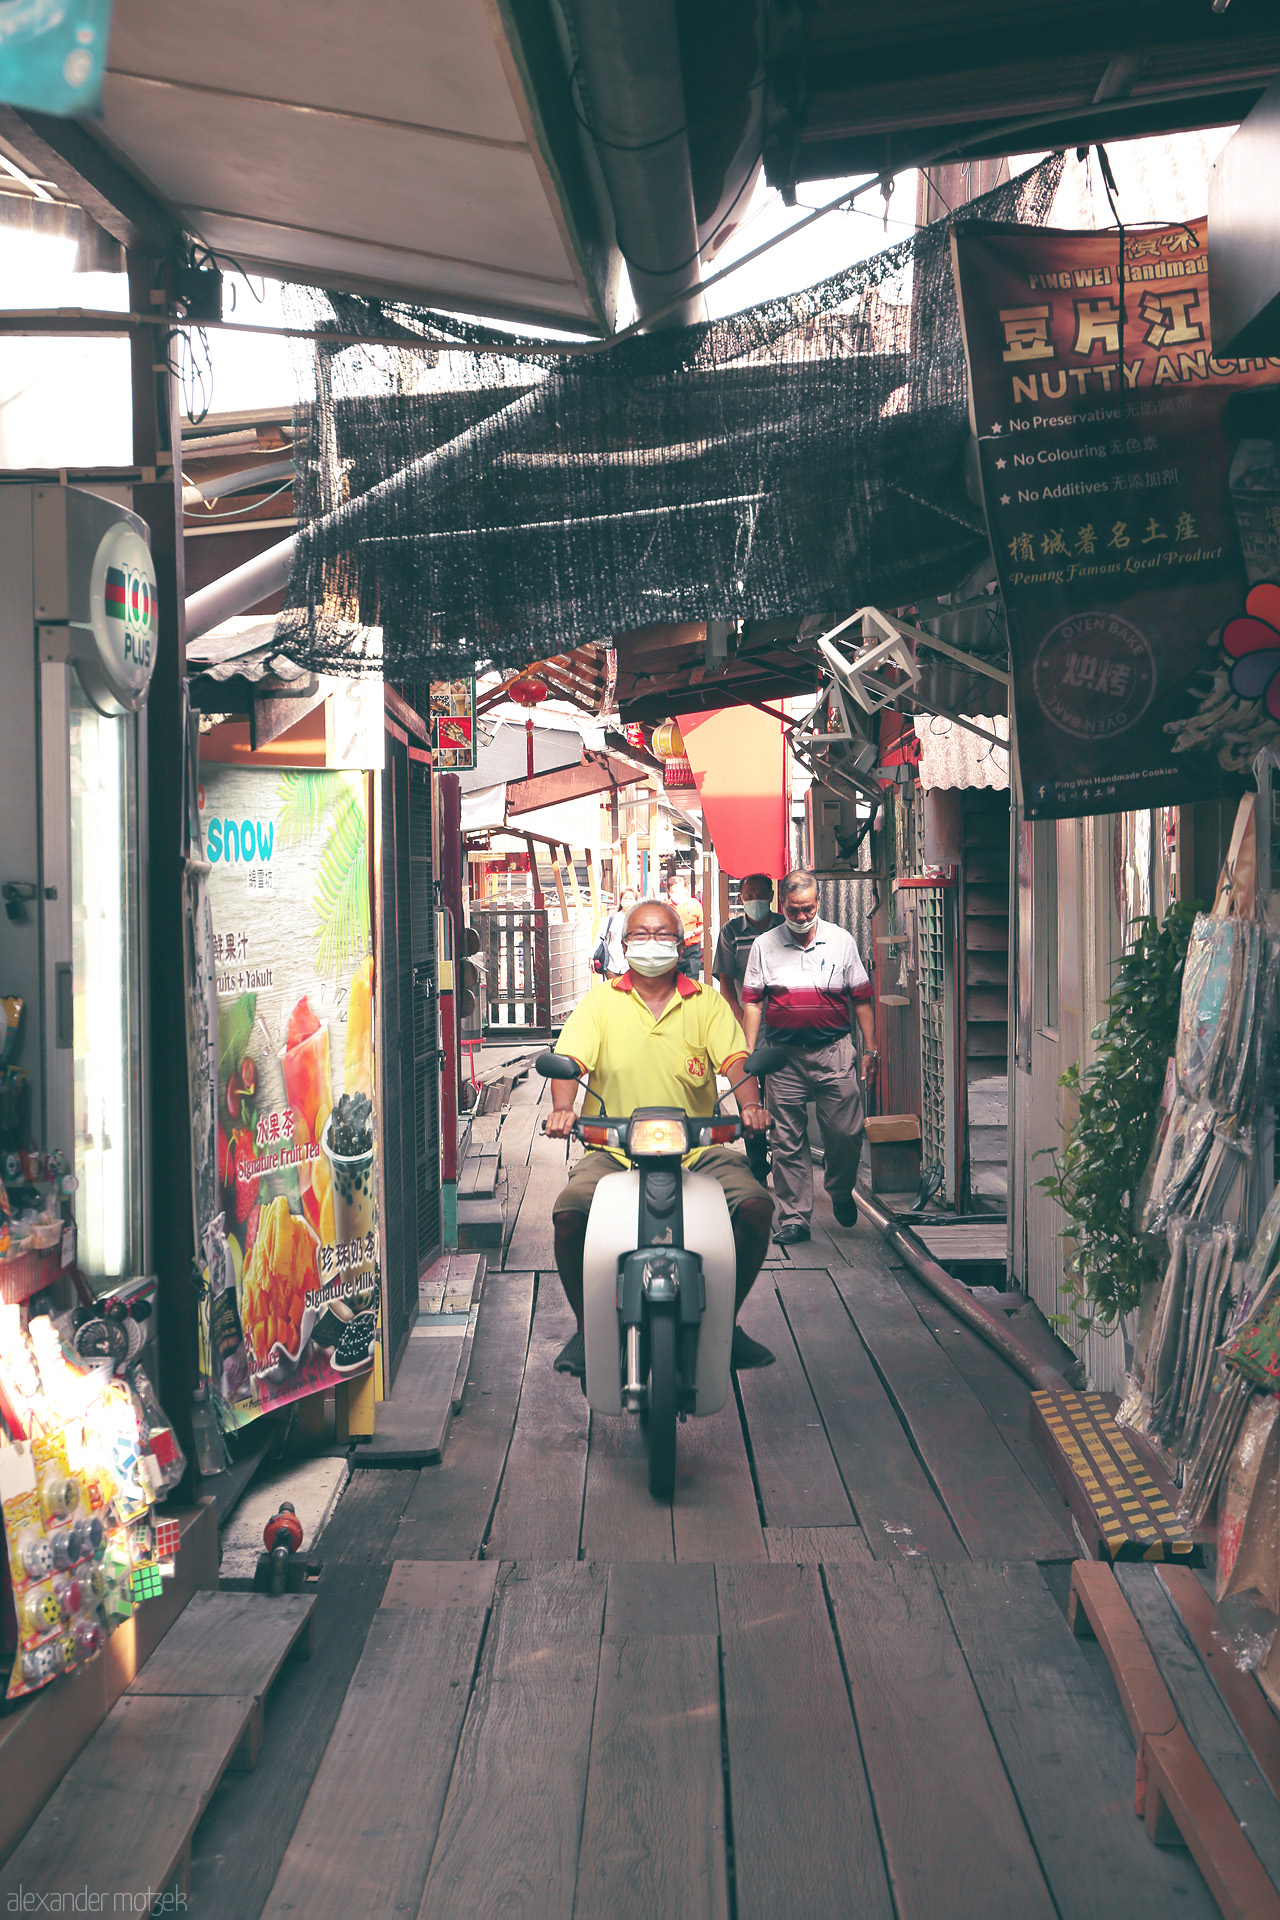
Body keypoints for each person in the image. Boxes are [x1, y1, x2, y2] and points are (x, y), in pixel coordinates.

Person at [546, 896, 777, 1375]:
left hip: (695, 1152)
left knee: (755, 1208)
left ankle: (726, 1326)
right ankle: (586, 1332)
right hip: (613, 1152)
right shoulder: (601, 1002)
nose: (652, 944)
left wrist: (751, 1105)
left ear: (681, 942)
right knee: (569, 1215)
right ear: (625, 943)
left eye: (663, 935)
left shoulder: (707, 1002)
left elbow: (736, 1061)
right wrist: (563, 1109)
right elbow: (569, 1062)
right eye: (641, 935)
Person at [741, 870, 878, 1243]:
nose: (801, 917)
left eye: (808, 908)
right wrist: (748, 1056)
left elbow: (862, 997)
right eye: (794, 909)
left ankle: (838, 1189)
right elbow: (753, 1002)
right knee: (786, 1139)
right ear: (781, 905)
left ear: (818, 902)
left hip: (835, 1049)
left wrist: (872, 1048)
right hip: (782, 1056)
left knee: (846, 1133)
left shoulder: (841, 941)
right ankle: (795, 1217)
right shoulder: (764, 946)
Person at [712, 874, 784, 1183]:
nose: (754, 898)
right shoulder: (731, 932)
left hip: (784, 1023)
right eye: (748, 894)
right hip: (746, 1022)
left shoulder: (785, 926)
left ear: (771, 895)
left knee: (781, 1090)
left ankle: (784, 1157)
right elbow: (725, 980)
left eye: (759, 893)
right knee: (750, 1087)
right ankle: (756, 1157)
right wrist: (741, 1016)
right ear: (740, 898)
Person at [666, 870, 704, 979]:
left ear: (685, 889)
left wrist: (692, 932)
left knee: (692, 982)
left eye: (680, 890)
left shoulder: (694, 904)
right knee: (674, 983)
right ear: (669, 891)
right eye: (674, 890)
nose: (677, 893)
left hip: (692, 949)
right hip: (673, 950)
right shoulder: (665, 907)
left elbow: (703, 926)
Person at [596, 886, 638, 977]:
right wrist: (591, 956)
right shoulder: (613, 918)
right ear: (620, 901)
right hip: (612, 965)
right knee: (612, 990)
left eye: (631, 899)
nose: (627, 901)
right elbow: (600, 936)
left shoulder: (640, 920)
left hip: (632, 967)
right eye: (625, 898)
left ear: (636, 902)